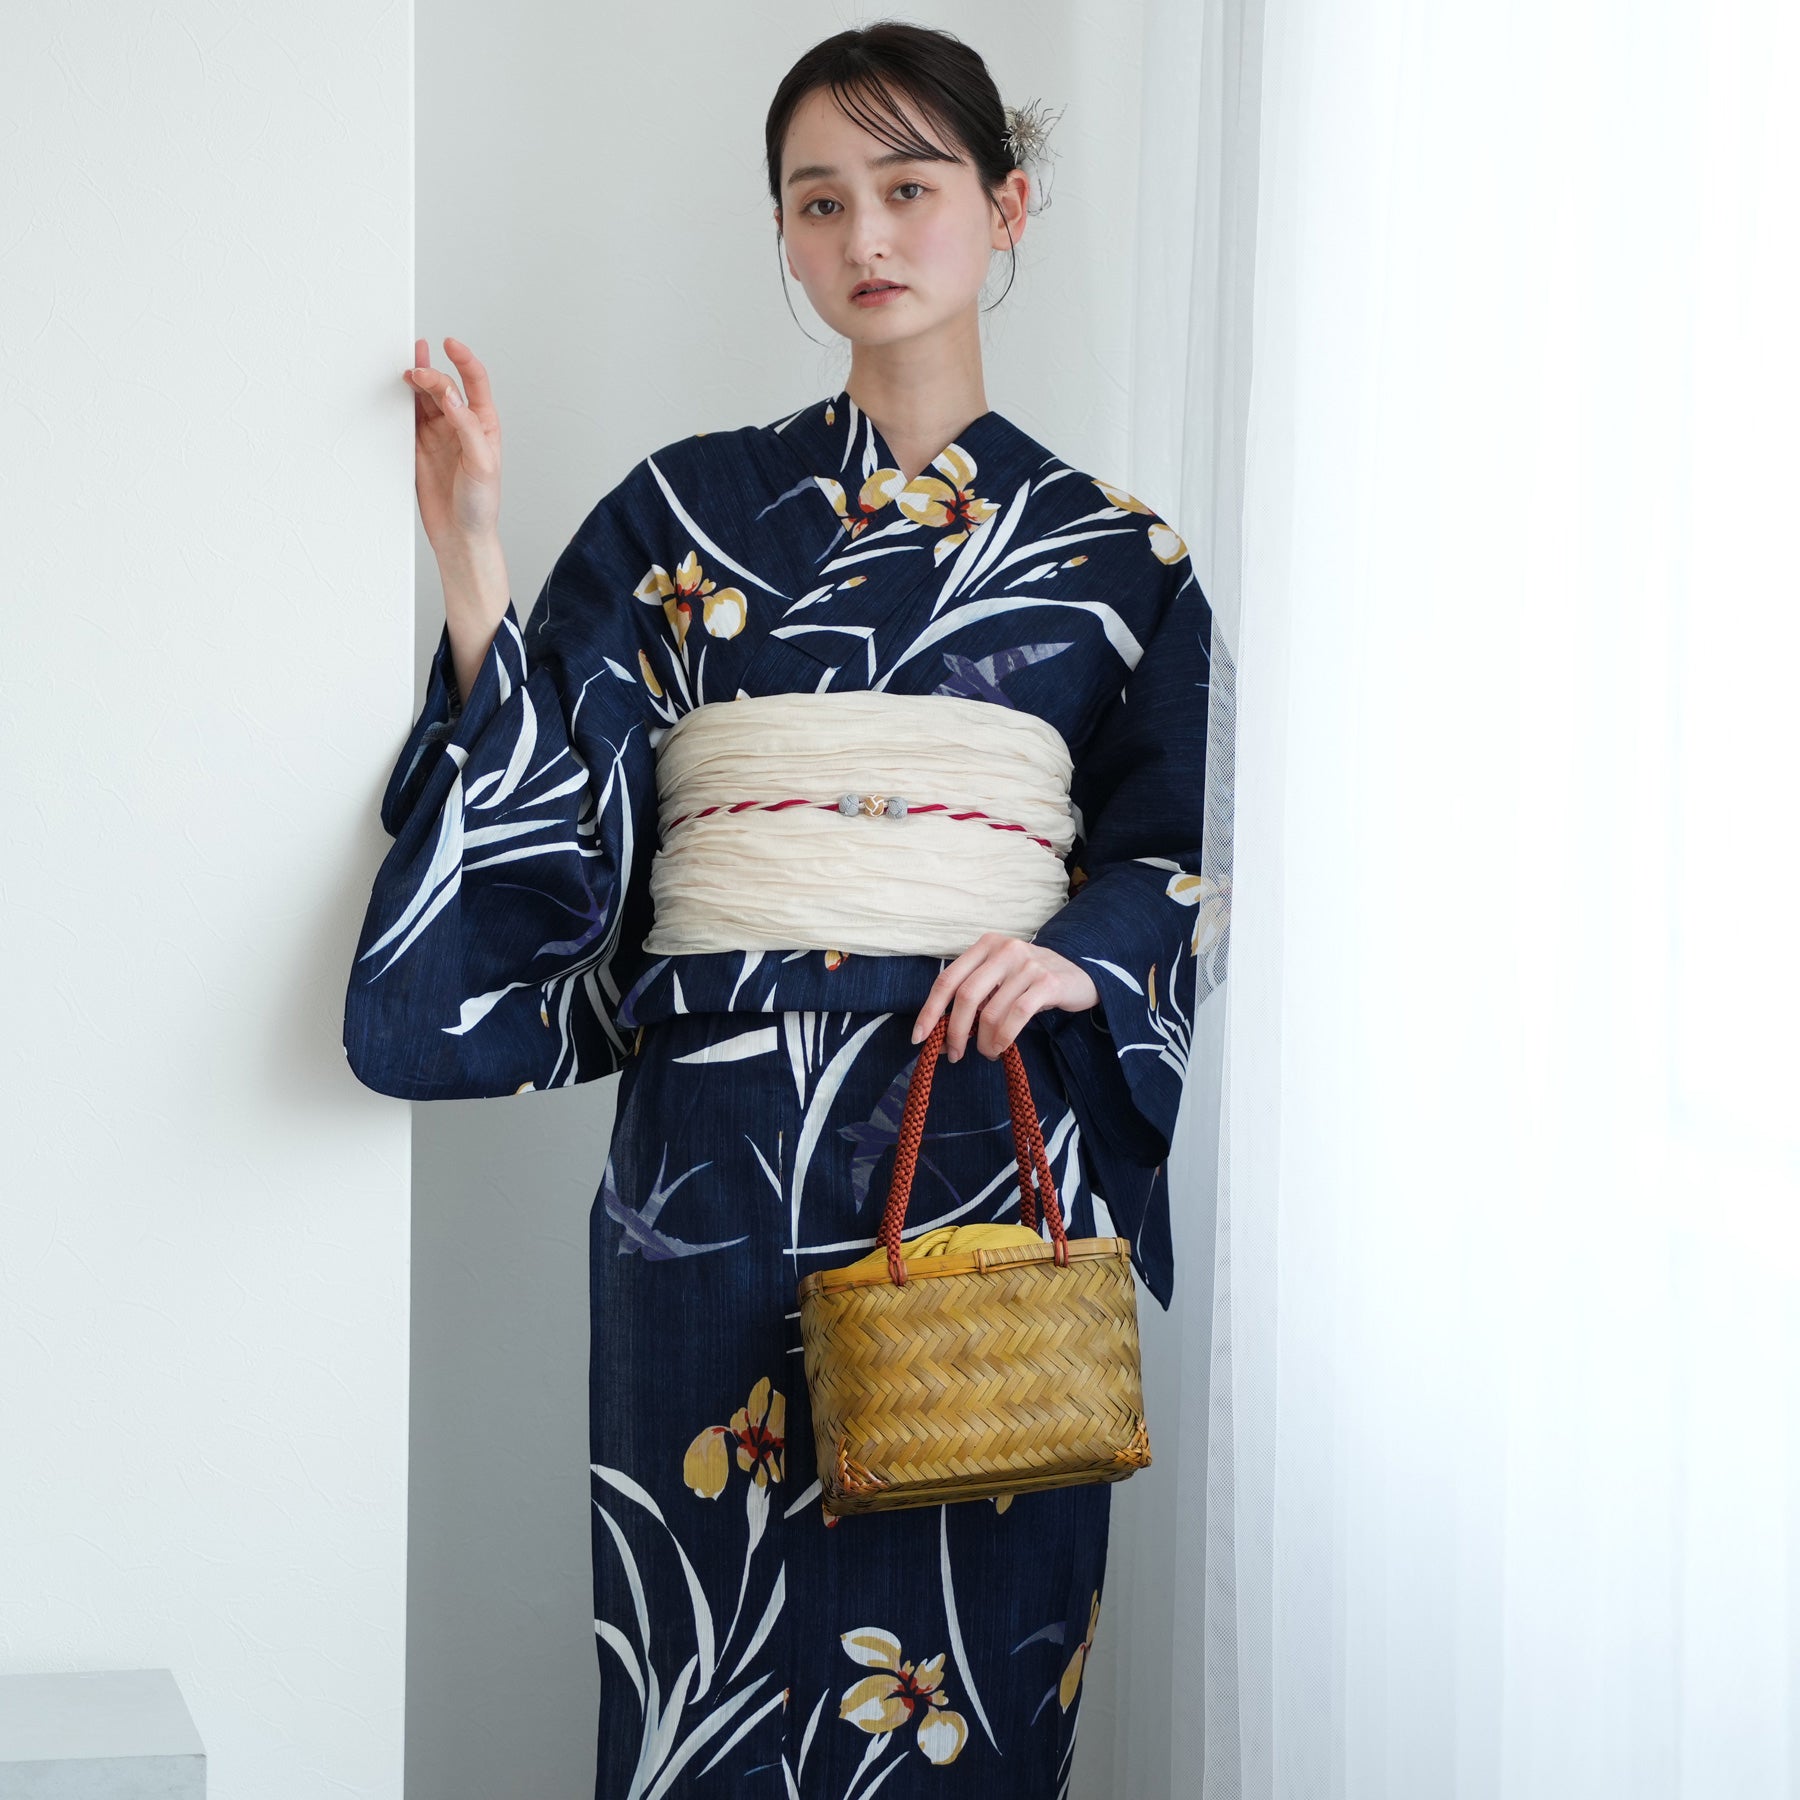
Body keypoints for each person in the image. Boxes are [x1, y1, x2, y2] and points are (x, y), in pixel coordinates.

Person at [343, 21, 1214, 1798]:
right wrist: (476, 551)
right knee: (708, 1649)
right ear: (784, 236)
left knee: (974, 1642)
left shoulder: (1122, 558)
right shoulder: (682, 515)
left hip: (979, 1126)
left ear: (1008, 205)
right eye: (820, 202)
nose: (866, 235)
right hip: (716, 1144)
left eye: (910, 187)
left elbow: (1175, 843)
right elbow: (562, 795)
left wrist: (1080, 955)